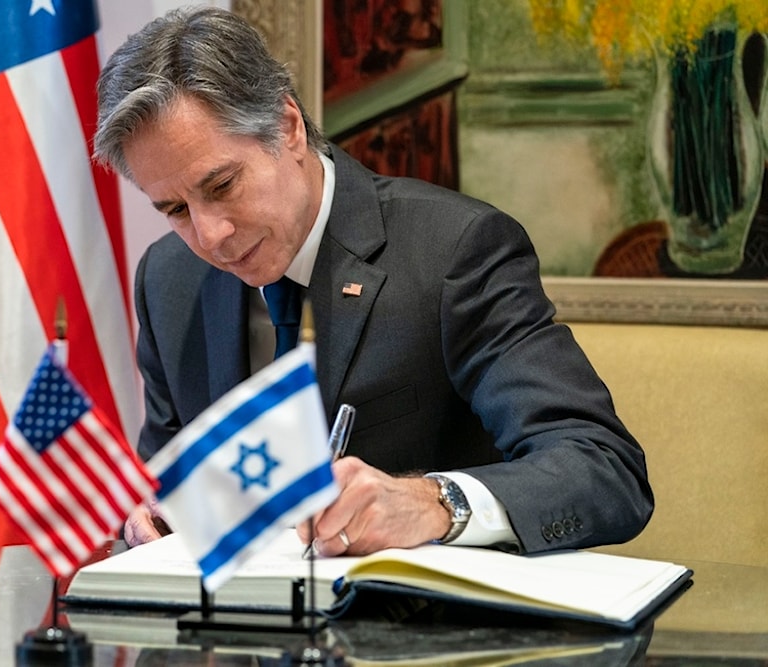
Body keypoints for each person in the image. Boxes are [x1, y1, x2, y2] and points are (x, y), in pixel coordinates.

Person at [93, 6, 653, 557]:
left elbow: (602, 467)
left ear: (286, 128)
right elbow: (165, 484)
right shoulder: (168, 280)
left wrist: (435, 503)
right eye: (175, 209)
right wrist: (156, 514)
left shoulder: (454, 250)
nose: (210, 236)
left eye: (221, 186)